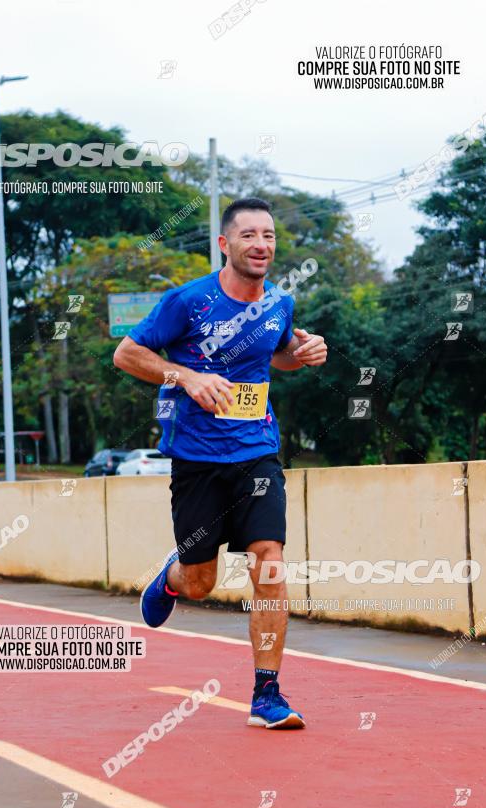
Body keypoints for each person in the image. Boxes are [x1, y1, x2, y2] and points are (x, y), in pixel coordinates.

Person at [113, 197, 327, 729]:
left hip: (256, 451)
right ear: (224, 244)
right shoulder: (187, 302)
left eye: (270, 236)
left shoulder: (280, 303)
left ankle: (268, 694)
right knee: (202, 582)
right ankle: (171, 579)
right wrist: (185, 377)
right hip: (196, 459)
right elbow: (127, 354)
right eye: (250, 235)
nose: (262, 245)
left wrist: (298, 357)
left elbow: (275, 355)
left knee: (269, 563)